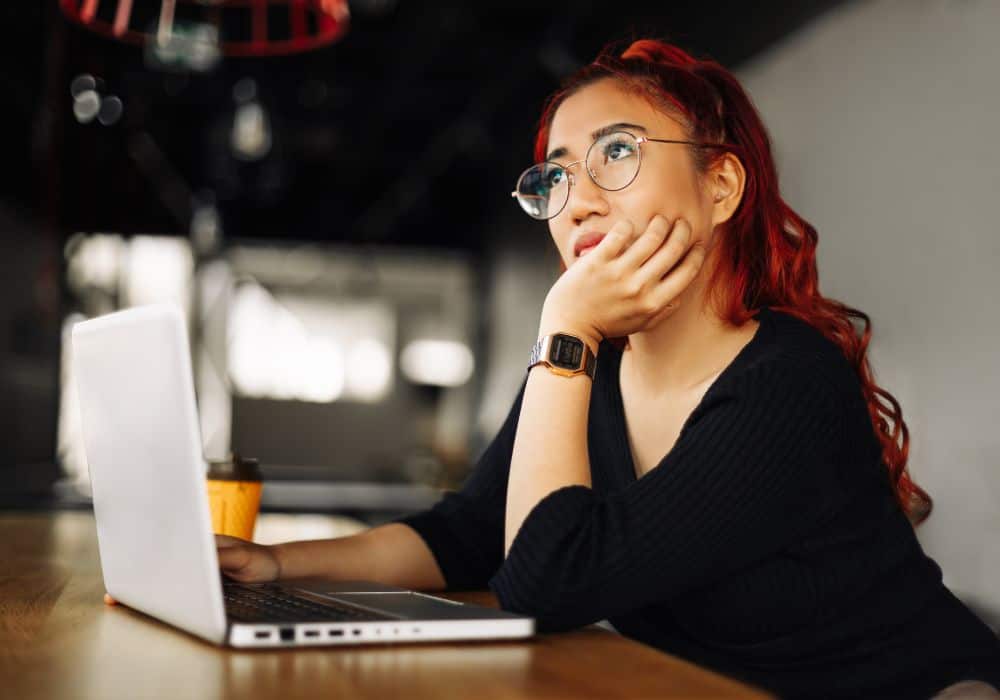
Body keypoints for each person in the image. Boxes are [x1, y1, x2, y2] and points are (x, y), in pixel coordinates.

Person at [107, 39, 1000, 698]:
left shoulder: (787, 379)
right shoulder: (591, 372)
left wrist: (563, 328)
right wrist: (275, 563)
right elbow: (466, 532)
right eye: (556, 176)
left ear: (721, 187)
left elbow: (546, 581)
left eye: (618, 151)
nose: (578, 201)